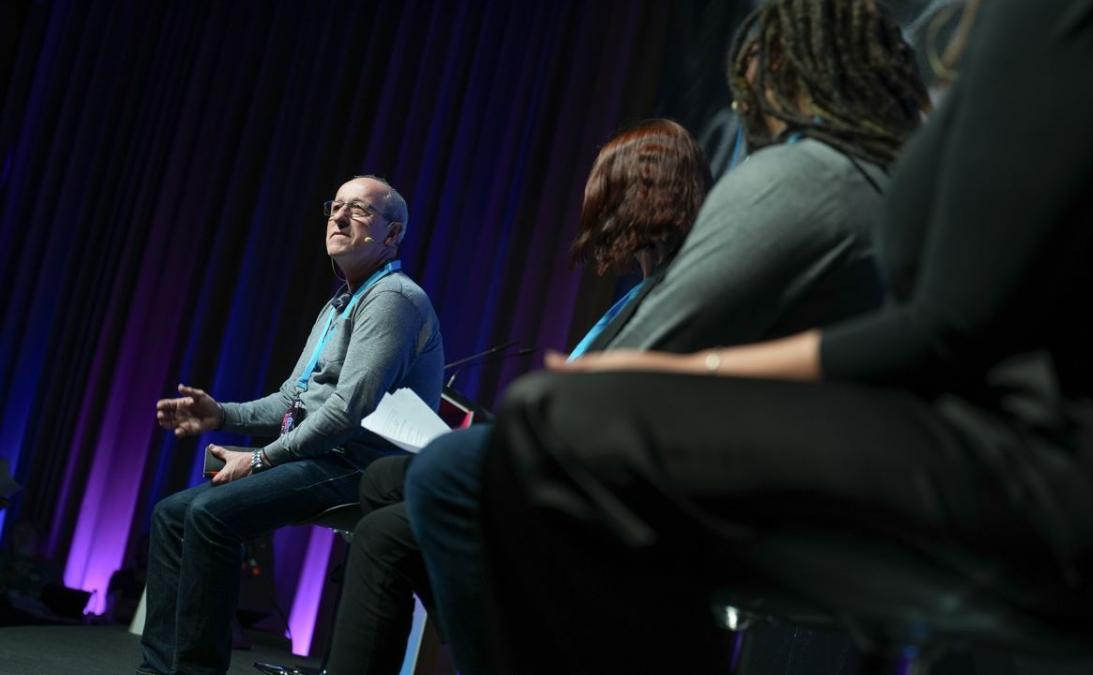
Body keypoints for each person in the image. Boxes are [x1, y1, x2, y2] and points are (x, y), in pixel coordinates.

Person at [471, 0, 1093, 672]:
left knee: (554, 427)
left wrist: (697, 373)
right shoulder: (1027, 32)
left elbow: (947, 330)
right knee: (548, 434)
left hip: (1070, 475)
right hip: (989, 442)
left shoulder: (1071, 20)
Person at [405, 2, 931, 673]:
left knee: (456, 473)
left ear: (779, 77)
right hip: (882, 500)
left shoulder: (804, 176)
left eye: (748, 96)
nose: (746, 118)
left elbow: (639, 365)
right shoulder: (901, 188)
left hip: (796, 505)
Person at [321, 119, 712, 675]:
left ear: (641, 196)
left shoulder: (675, 292)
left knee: (386, 534)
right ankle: (501, 640)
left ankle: (506, 643)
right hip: (555, 462)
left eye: (603, 192)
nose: (591, 209)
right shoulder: (644, 292)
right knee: (382, 480)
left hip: (582, 489)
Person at [138, 175, 444, 675]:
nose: (340, 217)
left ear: (392, 236)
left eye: (360, 210)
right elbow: (293, 398)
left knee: (211, 515)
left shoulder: (393, 299)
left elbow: (346, 413)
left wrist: (259, 458)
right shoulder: (337, 305)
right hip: (320, 455)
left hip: (359, 463)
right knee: (172, 515)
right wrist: (223, 415)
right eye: (336, 206)